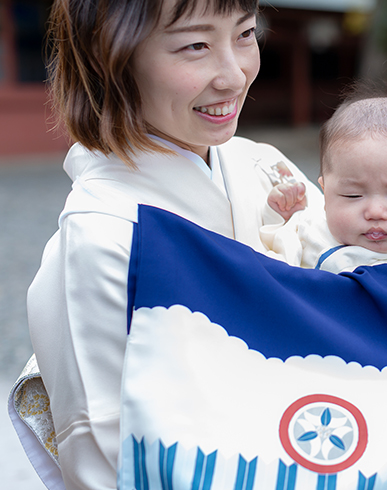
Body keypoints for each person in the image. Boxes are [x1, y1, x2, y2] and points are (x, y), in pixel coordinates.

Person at [8, 1, 330, 489]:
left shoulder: (263, 166)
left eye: (244, 34)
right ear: (109, 58)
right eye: (195, 45)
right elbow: (110, 461)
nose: (234, 74)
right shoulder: (102, 236)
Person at [266, 88, 387, 273]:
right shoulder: (314, 237)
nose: (375, 212)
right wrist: (285, 218)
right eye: (352, 195)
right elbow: (275, 267)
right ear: (326, 193)